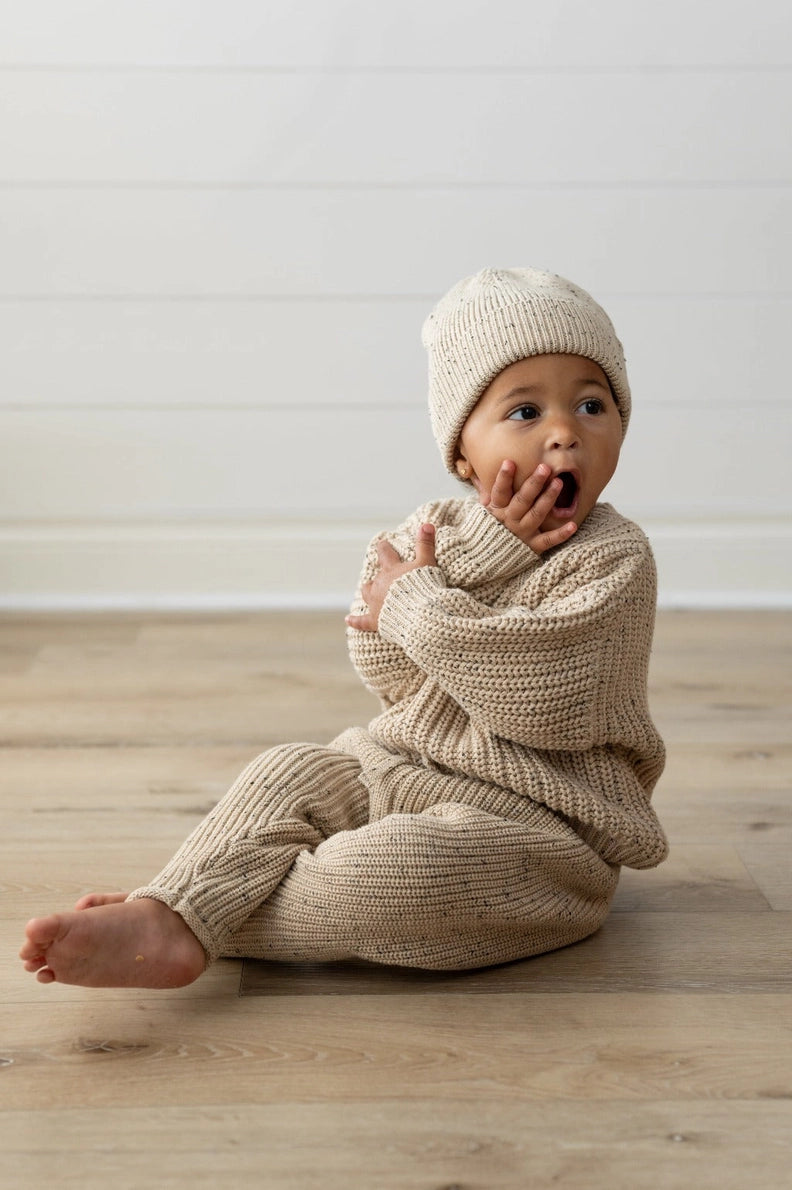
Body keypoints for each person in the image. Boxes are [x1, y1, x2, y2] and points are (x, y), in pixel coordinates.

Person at [20, 266, 668, 989]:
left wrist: (417, 602)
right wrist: (490, 554)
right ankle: (181, 913)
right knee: (287, 770)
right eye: (525, 413)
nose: (564, 435)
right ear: (462, 452)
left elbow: (543, 696)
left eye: (591, 404)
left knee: (393, 875)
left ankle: (192, 917)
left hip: (540, 832)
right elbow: (382, 662)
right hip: (402, 769)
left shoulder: (615, 558)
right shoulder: (428, 533)